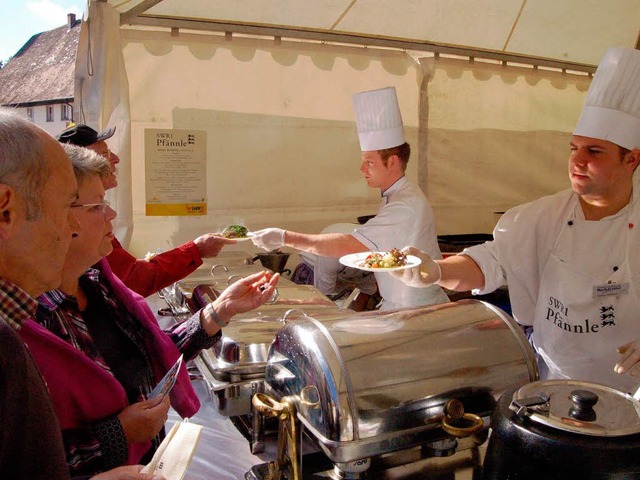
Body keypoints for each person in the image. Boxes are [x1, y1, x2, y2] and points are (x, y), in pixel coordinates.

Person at [392, 47, 640, 393]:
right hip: (556, 381)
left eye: (594, 152)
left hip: (631, 391)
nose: (577, 161)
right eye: (573, 148)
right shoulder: (543, 217)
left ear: (631, 160)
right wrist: (436, 270)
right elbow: (491, 261)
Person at [22, 144, 279, 477]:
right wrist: (119, 432)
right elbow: (30, 458)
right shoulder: (28, 321)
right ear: (58, 217)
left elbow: (154, 352)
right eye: (98, 205)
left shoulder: (97, 283)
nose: (111, 215)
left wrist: (218, 312)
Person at [0, 109, 162, 480]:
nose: (71, 225)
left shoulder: (16, 319)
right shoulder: (12, 335)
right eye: (65, 206)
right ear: (5, 209)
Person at [251, 87, 448, 311]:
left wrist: (284, 237)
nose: (362, 168)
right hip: (400, 306)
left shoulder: (406, 205)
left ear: (392, 162)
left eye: (370, 162)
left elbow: (348, 245)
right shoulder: (395, 196)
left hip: (416, 310)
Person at [56, 124, 236, 297]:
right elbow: (133, 280)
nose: (116, 159)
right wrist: (196, 250)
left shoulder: (89, 217)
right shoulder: (82, 220)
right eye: (104, 154)